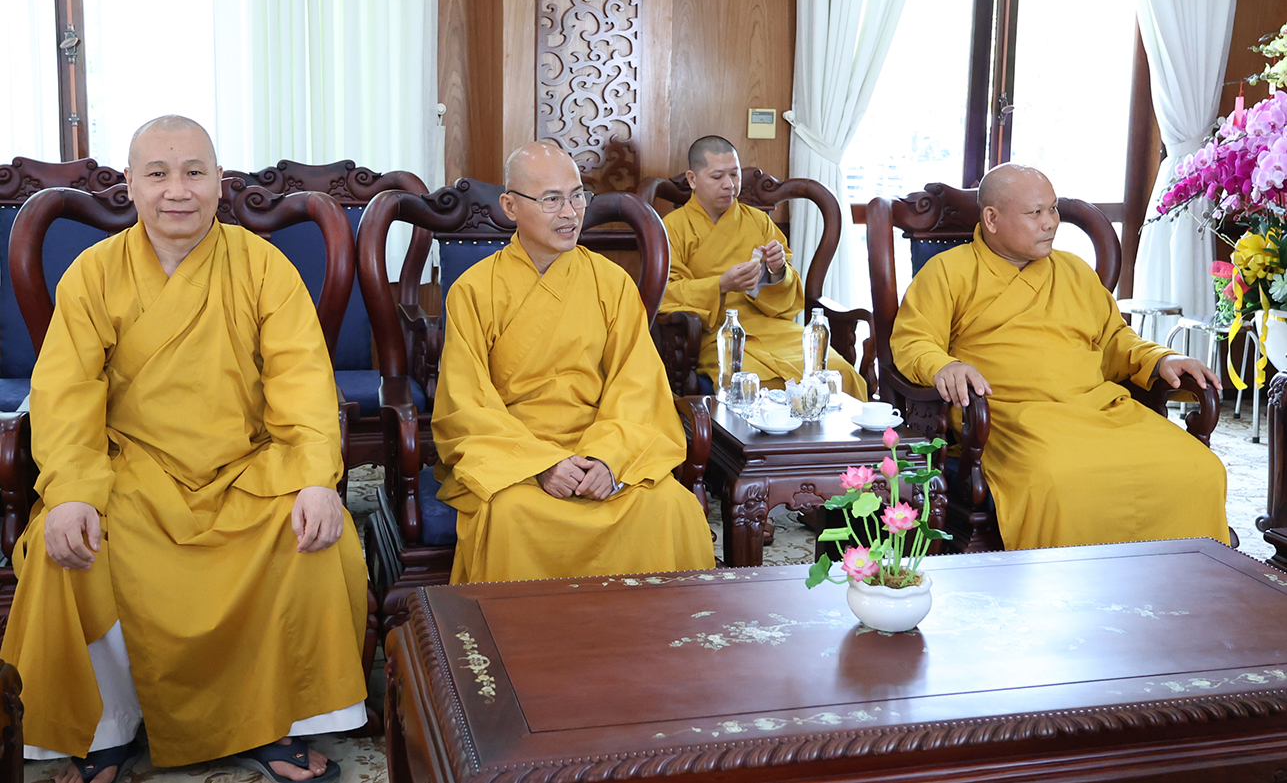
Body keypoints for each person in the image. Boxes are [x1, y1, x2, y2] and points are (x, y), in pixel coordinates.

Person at [0, 115, 367, 783]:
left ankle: (274, 722)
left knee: (314, 535)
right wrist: (73, 491)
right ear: (130, 184)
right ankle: (102, 731)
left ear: (219, 181)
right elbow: (66, 395)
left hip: (245, 470)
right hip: (134, 473)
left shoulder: (263, 266)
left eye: (194, 172)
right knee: (71, 547)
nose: (178, 190)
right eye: (158, 173)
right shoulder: (94, 274)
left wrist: (316, 477)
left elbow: (303, 381)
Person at [890, 162, 1229, 550]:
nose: (1050, 222)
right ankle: (1064, 586)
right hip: (1014, 418)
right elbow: (914, 341)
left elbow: (1115, 340)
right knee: (1058, 478)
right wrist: (945, 366)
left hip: (1098, 410)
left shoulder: (1073, 270)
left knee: (1199, 469)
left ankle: (1183, 581)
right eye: (1035, 212)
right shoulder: (948, 271)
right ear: (992, 219)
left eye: (1052, 209)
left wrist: (1161, 359)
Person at [432, 140, 716, 583]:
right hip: (518, 458)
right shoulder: (473, 291)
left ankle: (657, 630)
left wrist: (608, 460)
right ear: (510, 206)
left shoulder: (612, 283)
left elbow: (638, 384)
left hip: (602, 445)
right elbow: (465, 405)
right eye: (551, 199)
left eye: (577, 196)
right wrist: (542, 464)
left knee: (670, 506)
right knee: (510, 514)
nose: (570, 213)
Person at [659, 136, 866, 398]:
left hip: (773, 329)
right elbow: (665, 293)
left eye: (734, 174)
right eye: (717, 176)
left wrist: (777, 272)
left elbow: (788, 298)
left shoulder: (759, 222)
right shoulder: (671, 228)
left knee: (839, 372)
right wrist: (720, 285)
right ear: (692, 179)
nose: (729, 185)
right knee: (754, 384)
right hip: (717, 336)